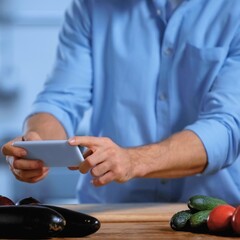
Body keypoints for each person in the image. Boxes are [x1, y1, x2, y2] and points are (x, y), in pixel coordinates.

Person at [2, 0, 240, 204]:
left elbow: (227, 128)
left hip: (212, 215)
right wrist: (36, 144)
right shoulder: (92, 6)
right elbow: (61, 99)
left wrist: (133, 160)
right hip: (108, 213)